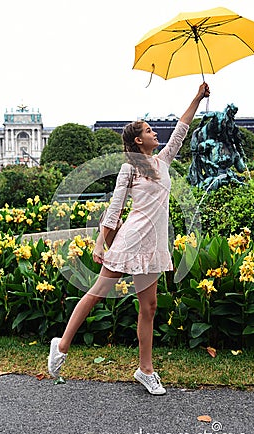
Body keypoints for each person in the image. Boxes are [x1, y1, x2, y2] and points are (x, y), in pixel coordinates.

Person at [48, 82, 210, 395]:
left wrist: (198, 96)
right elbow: (115, 208)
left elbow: (182, 127)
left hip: (153, 245)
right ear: (139, 140)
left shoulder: (163, 162)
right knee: (97, 292)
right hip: (129, 240)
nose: (155, 133)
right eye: (149, 130)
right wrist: (99, 242)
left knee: (148, 307)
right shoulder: (129, 169)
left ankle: (145, 370)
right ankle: (62, 345)